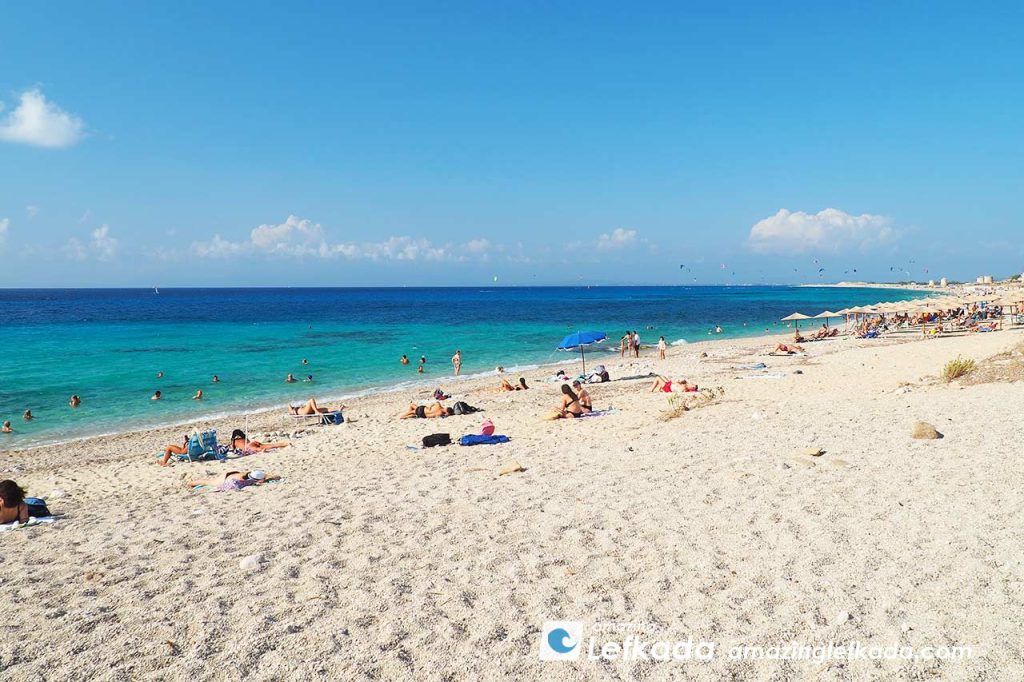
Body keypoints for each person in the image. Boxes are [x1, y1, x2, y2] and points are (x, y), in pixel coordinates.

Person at [185, 470, 281, 492]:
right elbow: (231, 486)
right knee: (206, 482)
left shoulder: (251, 474)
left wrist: (271, 477)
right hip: (225, 479)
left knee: (207, 481)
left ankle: (191, 481)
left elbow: (272, 476)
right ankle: (190, 482)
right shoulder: (241, 481)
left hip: (231, 473)